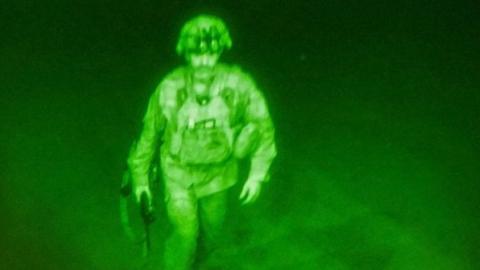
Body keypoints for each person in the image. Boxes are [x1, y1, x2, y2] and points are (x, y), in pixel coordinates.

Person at [127, 14, 277, 270]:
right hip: (178, 173)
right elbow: (149, 134)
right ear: (186, 53)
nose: (205, 61)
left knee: (211, 236)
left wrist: (257, 174)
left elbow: (263, 128)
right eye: (197, 54)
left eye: (211, 53)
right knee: (185, 235)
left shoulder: (239, 85)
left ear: (220, 51)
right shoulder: (170, 88)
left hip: (219, 176)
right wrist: (141, 181)